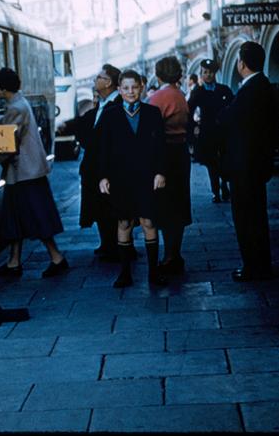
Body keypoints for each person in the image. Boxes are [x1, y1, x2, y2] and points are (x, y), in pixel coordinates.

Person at [0, 68, 67, 278]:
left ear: (3, 87)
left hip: (25, 173)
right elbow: (5, 122)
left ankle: (56, 257)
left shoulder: (16, 107)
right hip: (24, 173)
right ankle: (14, 262)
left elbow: (9, 141)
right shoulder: (17, 103)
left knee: (36, 217)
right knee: (15, 218)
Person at [98, 70, 167, 287]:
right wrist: (103, 176)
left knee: (148, 221)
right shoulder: (110, 115)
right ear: (119, 90)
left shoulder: (153, 113)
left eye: (134, 87)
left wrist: (160, 172)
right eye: (126, 88)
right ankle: (125, 272)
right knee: (124, 222)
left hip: (147, 177)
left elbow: (161, 147)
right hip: (121, 179)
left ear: (142, 88)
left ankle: (153, 272)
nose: (130, 92)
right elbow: (103, 150)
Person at [217, 41, 276, 282]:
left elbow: (229, 120)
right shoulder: (264, 86)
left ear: (241, 63)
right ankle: (260, 263)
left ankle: (253, 266)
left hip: (245, 166)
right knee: (257, 217)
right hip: (256, 164)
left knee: (246, 218)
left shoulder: (251, 90)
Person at [149, 57, 192, 275]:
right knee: (179, 204)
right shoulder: (181, 95)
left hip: (164, 154)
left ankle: (169, 256)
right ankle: (175, 253)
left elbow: (149, 130)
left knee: (165, 206)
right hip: (181, 153)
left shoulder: (157, 98)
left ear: (158, 75)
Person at [76, 64, 122, 263]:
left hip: (107, 166)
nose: (95, 80)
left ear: (108, 82)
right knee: (100, 207)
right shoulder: (103, 103)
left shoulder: (117, 104)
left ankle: (114, 245)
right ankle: (107, 243)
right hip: (95, 165)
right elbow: (88, 123)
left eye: (99, 77)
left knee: (109, 206)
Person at [189, 58, 234, 203]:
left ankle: (225, 183)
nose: (208, 75)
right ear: (201, 74)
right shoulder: (199, 92)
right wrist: (193, 127)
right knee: (211, 163)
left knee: (225, 159)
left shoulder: (223, 89)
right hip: (208, 133)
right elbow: (189, 110)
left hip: (224, 132)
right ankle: (216, 191)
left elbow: (232, 108)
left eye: (210, 72)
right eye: (205, 72)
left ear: (215, 73)